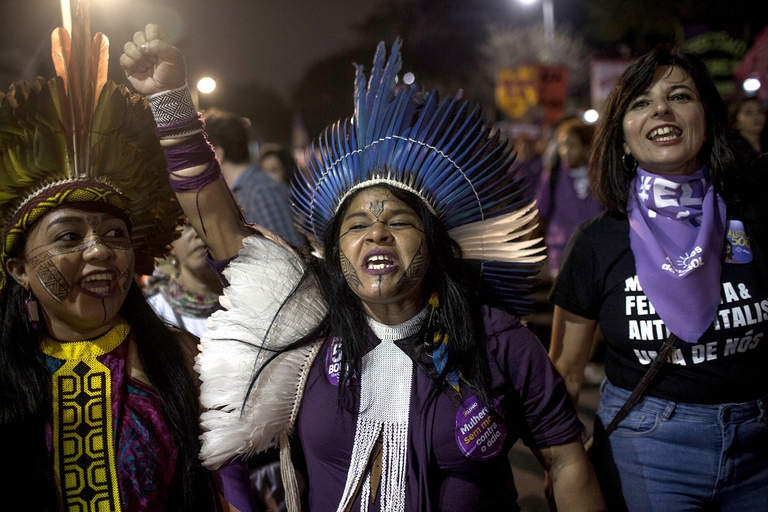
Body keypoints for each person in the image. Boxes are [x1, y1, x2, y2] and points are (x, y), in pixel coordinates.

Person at [121, 24, 605, 512]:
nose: (377, 233)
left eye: (398, 220)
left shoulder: (497, 340)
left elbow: (565, 462)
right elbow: (217, 222)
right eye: (355, 226)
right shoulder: (310, 327)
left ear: (436, 245)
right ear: (335, 253)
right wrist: (168, 100)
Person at [0, 9, 253, 511]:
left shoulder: (185, 362)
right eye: (69, 237)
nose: (99, 250)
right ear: (18, 269)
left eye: (115, 234)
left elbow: (250, 266)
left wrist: (172, 106)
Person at [548, 44, 768, 511]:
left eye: (680, 96)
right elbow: (565, 373)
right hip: (647, 452)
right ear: (622, 139)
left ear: (707, 120)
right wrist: (566, 467)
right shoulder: (597, 242)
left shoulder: (753, 215)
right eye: (641, 102)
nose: (662, 108)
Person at [203, 109, 306, 247]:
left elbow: (293, 256)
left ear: (218, 154)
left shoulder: (261, 191)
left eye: (201, 155)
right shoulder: (245, 191)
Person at [536, 118, 604, 278]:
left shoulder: (600, 175)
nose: (565, 151)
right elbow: (540, 213)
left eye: (572, 145)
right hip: (562, 255)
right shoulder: (553, 175)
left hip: (597, 255)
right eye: (562, 146)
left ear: (585, 146)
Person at [147, 222, 224, 337]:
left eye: (203, 221)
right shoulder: (154, 313)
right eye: (187, 225)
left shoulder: (249, 298)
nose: (198, 232)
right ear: (170, 245)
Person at [727, 95, 766, 166]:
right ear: (735, 122)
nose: (756, 116)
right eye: (748, 113)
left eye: (760, 111)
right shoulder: (732, 152)